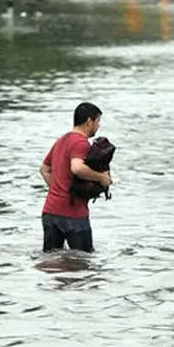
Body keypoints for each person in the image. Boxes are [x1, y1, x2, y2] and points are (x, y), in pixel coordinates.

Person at [39, 102, 112, 253]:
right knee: (85, 261)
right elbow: (77, 168)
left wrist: (58, 190)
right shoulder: (80, 143)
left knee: (52, 260)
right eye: (98, 121)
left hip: (51, 211)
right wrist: (101, 178)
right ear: (89, 121)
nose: (98, 126)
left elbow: (44, 170)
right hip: (73, 214)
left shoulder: (61, 141)